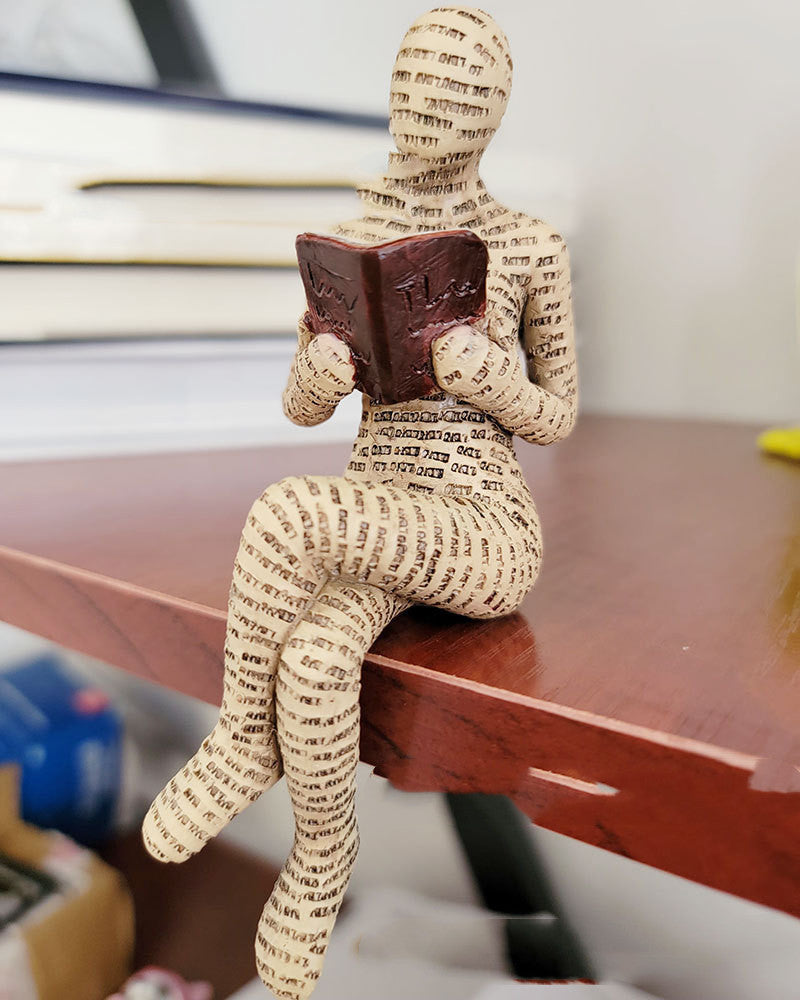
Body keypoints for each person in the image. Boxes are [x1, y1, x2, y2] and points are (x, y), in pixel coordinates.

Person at [143, 8, 578, 999]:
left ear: (490, 112)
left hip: (479, 530)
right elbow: (298, 408)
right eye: (410, 85)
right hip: (378, 516)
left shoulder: (528, 244)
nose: (424, 106)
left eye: (451, 88)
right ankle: (317, 866)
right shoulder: (357, 244)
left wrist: (487, 382)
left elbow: (554, 417)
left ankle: (240, 736)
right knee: (312, 655)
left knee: (287, 513)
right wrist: (325, 367)